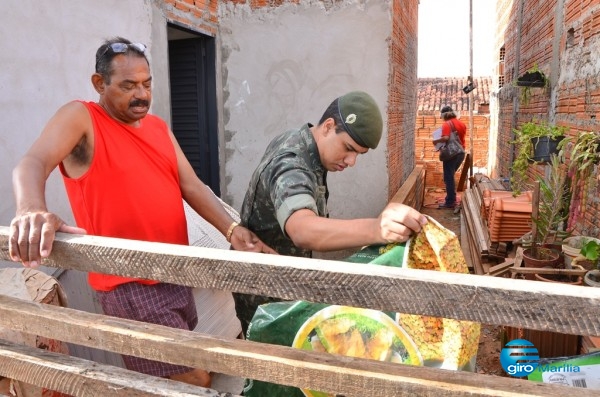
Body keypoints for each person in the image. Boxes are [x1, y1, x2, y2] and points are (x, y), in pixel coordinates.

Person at [8, 37, 275, 388]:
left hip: (175, 272)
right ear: (99, 83)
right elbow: (33, 161)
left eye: (147, 84)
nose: (142, 95)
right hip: (130, 282)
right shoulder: (83, 118)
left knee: (175, 377)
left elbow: (191, 186)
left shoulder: (158, 128)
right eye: (128, 85)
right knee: (191, 379)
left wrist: (231, 230)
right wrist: (31, 208)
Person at [234, 90, 428, 334]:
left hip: (283, 280)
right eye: (348, 148)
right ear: (327, 126)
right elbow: (302, 230)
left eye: (358, 153)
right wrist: (376, 228)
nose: (351, 161)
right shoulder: (292, 162)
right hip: (264, 298)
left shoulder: (302, 140)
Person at [432, 105, 466, 209]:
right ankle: (451, 198)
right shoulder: (462, 123)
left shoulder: (447, 124)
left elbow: (446, 138)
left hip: (451, 154)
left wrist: (436, 141)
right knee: (450, 176)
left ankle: (450, 201)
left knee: (448, 178)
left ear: (444, 115)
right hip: (460, 153)